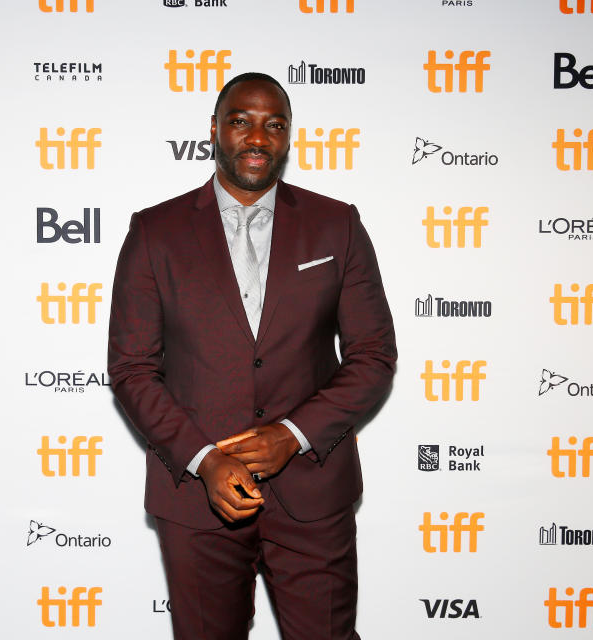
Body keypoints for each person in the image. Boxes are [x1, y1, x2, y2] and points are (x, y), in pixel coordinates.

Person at [108, 72, 396, 640]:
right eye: (241, 121)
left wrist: (292, 433)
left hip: (313, 491)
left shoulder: (337, 224)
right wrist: (205, 460)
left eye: (274, 125)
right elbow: (132, 369)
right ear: (214, 129)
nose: (257, 137)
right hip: (196, 497)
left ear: (288, 138)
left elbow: (372, 356)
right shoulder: (154, 232)